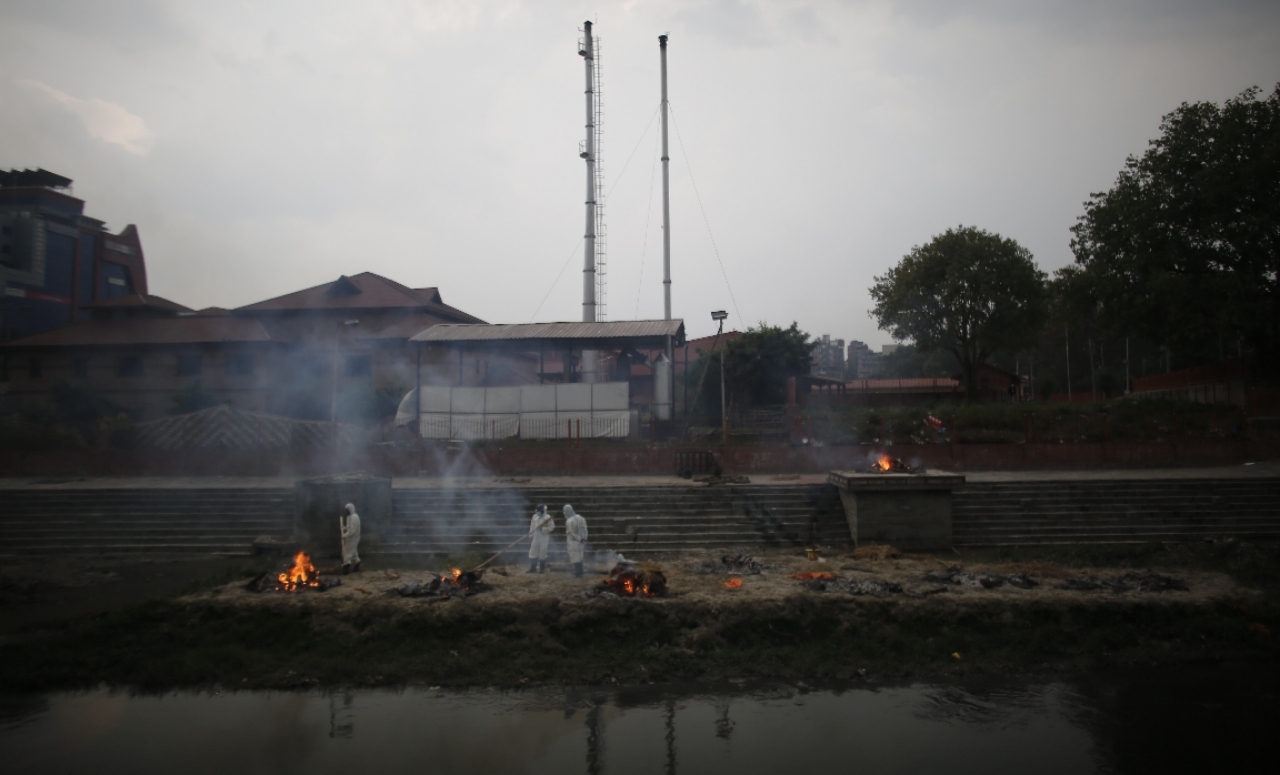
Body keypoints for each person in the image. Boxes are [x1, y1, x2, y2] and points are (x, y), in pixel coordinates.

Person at [527, 504, 554, 574]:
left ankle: (542, 569)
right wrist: (530, 535)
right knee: (533, 552)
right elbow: (532, 527)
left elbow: (551, 527)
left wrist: (543, 529)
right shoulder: (535, 517)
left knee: (543, 552)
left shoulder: (548, 518)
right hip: (535, 536)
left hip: (544, 537)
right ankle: (533, 568)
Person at [563, 504, 588, 578]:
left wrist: (578, 539)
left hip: (573, 541)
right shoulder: (580, 517)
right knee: (580, 556)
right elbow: (584, 528)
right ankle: (581, 572)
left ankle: (578, 573)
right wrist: (583, 538)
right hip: (581, 540)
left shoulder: (569, 521)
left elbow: (571, 532)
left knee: (575, 557)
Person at [340, 502, 361, 574]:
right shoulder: (350, 517)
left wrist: (345, 535)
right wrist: (344, 528)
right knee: (354, 552)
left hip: (353, 538)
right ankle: (357, 565)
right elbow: (350, 528)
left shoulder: (354, 517)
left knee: (347, 552)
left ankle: (346, 569)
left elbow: (353, 531)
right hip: (351, 538)